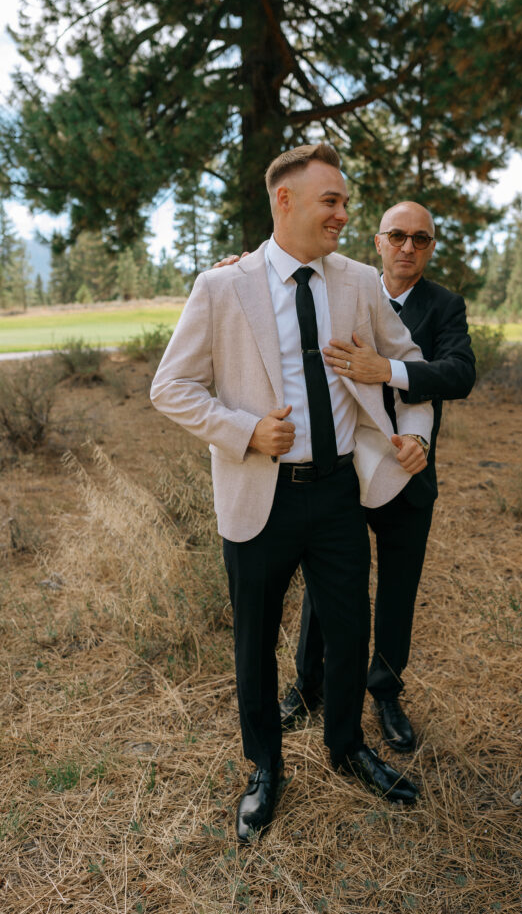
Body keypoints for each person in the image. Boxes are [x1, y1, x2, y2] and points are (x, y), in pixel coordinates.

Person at [150, 145, 433, 844]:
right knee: (254, 641)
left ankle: (345, 746)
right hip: (259, 493)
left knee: (347, 629)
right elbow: (171, 388)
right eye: (329, 201)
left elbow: (412, 364)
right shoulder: (222, 287)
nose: (343, 213)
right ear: (284, 202)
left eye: (344, 200)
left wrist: (415, 429)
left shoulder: (360, 280)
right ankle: (264, 767)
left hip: (338, 490)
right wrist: (245, 431)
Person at [278, 201, 475, 751]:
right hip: (339, 469)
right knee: (326, 586)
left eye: (421, 239)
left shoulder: (444, 306)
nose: (408, 247)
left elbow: (459, 374)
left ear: (431, 246)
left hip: (407, 466)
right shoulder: (337, 286)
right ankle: (309, 684)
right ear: (378, 241)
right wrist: (236, 263)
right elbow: (278, 272)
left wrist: (384, 370)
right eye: (398, 236)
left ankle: (385, 691)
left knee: (397, 587)